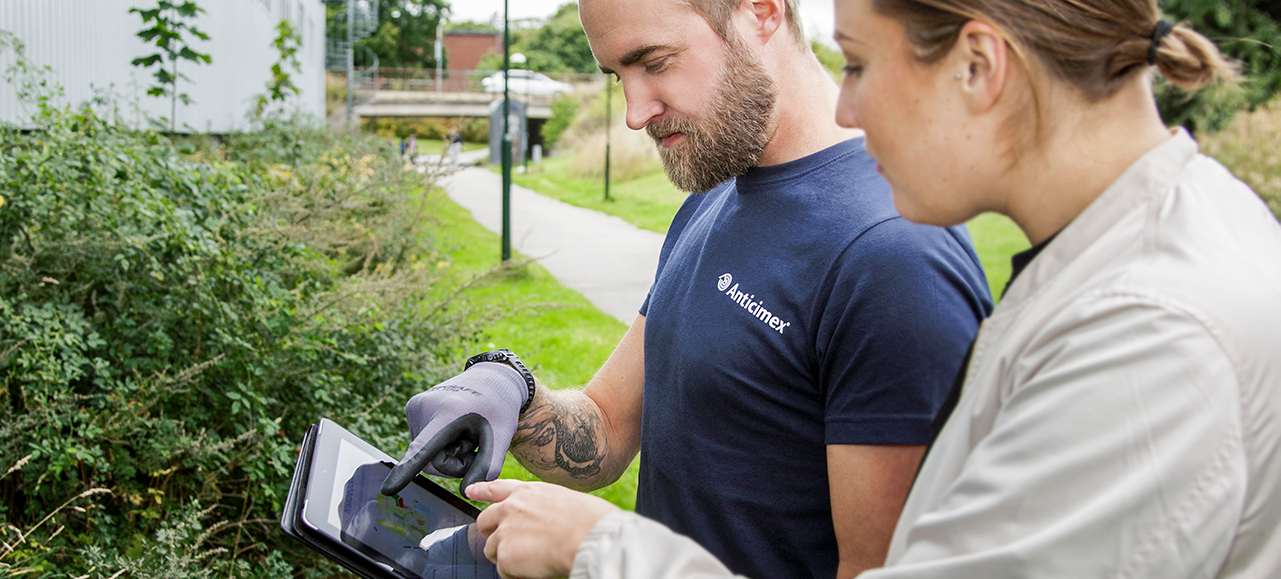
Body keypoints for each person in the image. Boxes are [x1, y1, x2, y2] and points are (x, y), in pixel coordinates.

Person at [467, 0, 1281, 576]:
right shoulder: (1112, 267)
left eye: (858, 63)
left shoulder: (1149, 331)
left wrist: (602, 550)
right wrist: (510, 391)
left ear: (979, 64)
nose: (847, 106)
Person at [379, 0, 993, 577]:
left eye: (654, 62)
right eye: (618, 76)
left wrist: (603, 552)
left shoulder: (897, 258)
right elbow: (605, 430)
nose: (634, 112)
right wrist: (511, 391)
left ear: (761, 11)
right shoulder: (717, 189)